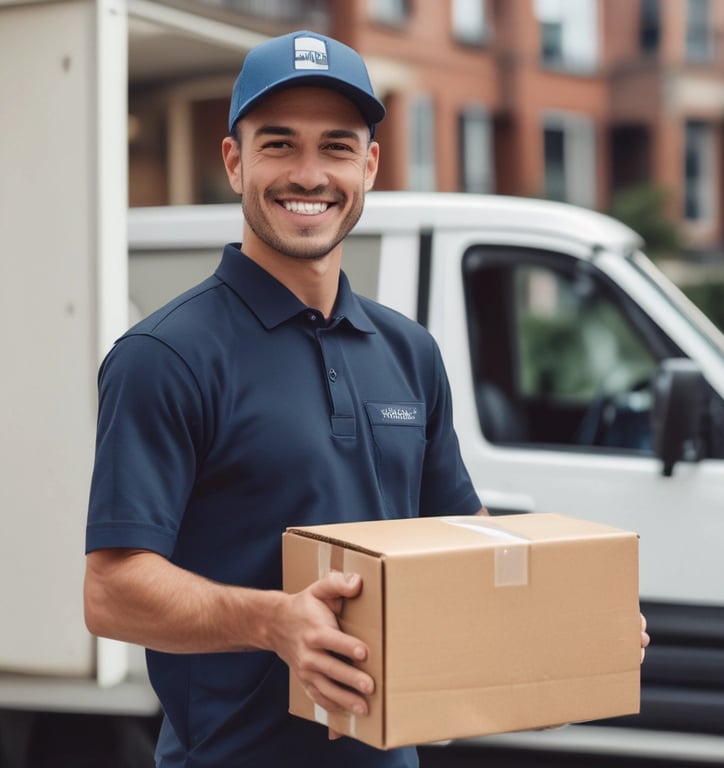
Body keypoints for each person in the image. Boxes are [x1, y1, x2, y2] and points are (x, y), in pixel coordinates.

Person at [84, 30, 650, 768]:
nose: (310, 174)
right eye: (279, 145)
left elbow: (461, 552)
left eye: (337, 146)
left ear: (370, 165)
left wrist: (554, 635)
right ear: (234, 162)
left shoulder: (409, 353)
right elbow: (112, 591)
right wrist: (272, 621)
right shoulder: (166, 356)